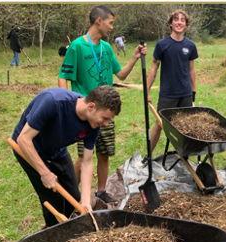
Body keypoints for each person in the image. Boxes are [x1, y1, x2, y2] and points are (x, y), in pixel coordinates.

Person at [58, 5, 146, 203]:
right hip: (87, 113)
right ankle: (69, 192)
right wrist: (68, 104)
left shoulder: (106, 48)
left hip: (105, 112)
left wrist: (134, 57)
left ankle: (101, 192)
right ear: (99, 21)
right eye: (110, 22)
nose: (112, 27)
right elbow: (63, 76)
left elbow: (121, 74)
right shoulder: (77, 46)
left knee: (104, 153)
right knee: (83, 158)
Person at [12, 86, 121, 228]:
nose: (106, 124)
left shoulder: (94, 125)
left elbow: (87, 162)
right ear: (91, 107)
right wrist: (44, 172)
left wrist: (86, 200)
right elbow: (23, 139)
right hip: (29, 149)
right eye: (105, 118)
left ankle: (61, 226)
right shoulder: (53, 102)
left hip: (56, 149)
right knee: (54, 199)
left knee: (74, 197)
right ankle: (52, 233)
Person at [140, 9, 198, 166]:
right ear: (171, 23)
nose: (179, 22)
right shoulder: (162, 45)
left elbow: (191, 69)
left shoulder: (190, 46)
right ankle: (148, 155)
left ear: (186, 25)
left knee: (186, 125)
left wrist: (193, 90)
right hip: (167, 94)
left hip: (185, 93)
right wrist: (147, 91)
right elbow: (153, 68)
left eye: (182, 20)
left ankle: (184, 156)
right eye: (176, 19)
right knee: (160, 125)